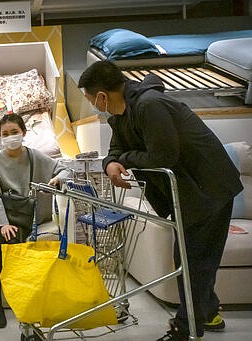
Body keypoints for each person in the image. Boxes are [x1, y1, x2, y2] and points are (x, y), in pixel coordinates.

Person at [78, 61, 243, 341]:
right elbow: (116, 148)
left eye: (90, 98)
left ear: (102, 96)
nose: (92, 104)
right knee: (192, 257)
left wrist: (125, 160)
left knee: (192, 260)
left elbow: (163, 155)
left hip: (209, 188)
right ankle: (209, 311)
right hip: (188, 192)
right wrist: (110, 163)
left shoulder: (150, 106)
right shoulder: (120, 114)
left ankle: (187, 328)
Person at [0, 113, 70, 328]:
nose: (10, 137)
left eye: (14, 132)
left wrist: (58, 179)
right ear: (0, 137)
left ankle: (20, 301)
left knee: (14, 246)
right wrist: (3, 223)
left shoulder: (36, 157)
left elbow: (66, 169)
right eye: (5, 134)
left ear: (23, 133)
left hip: (23, 216)